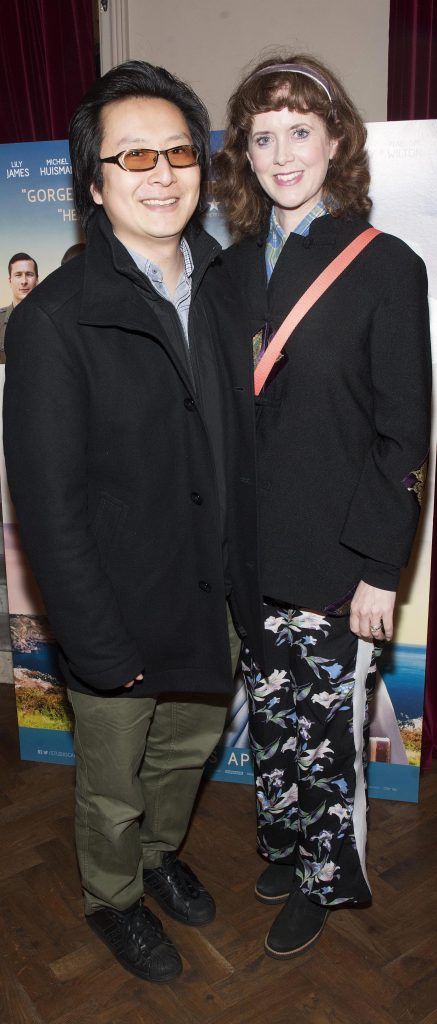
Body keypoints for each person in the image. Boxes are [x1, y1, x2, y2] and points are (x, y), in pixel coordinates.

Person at [3, 61, 262, 984]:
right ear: (94, 182)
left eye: (180, 150)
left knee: (184, 758)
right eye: (134, 155)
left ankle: (159, 857)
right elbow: (48, 508)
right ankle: (112, 896)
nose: (163, 172)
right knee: (110, 788)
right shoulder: (54, 323)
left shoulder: (231, 290)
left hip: (215, 598)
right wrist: (97, 643)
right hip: (116, 610)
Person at [214, 54, 431, 959]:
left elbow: (403, 437)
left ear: (336, 140)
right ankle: (283, 840)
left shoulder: (386, 267)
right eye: (262, 137)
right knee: (271, 723)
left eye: (299, 130)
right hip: (249, 560)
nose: (280, 153)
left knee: (327, 741)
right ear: (245, 158)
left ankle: (322, 878)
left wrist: (382, 569)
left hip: (339, 564)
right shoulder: (225, 277)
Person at [0, 253, 38, 361]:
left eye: (29, 274)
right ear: (10, 281)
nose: (24, 281)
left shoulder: (51, 319)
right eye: (18, 275)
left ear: (37, 279)